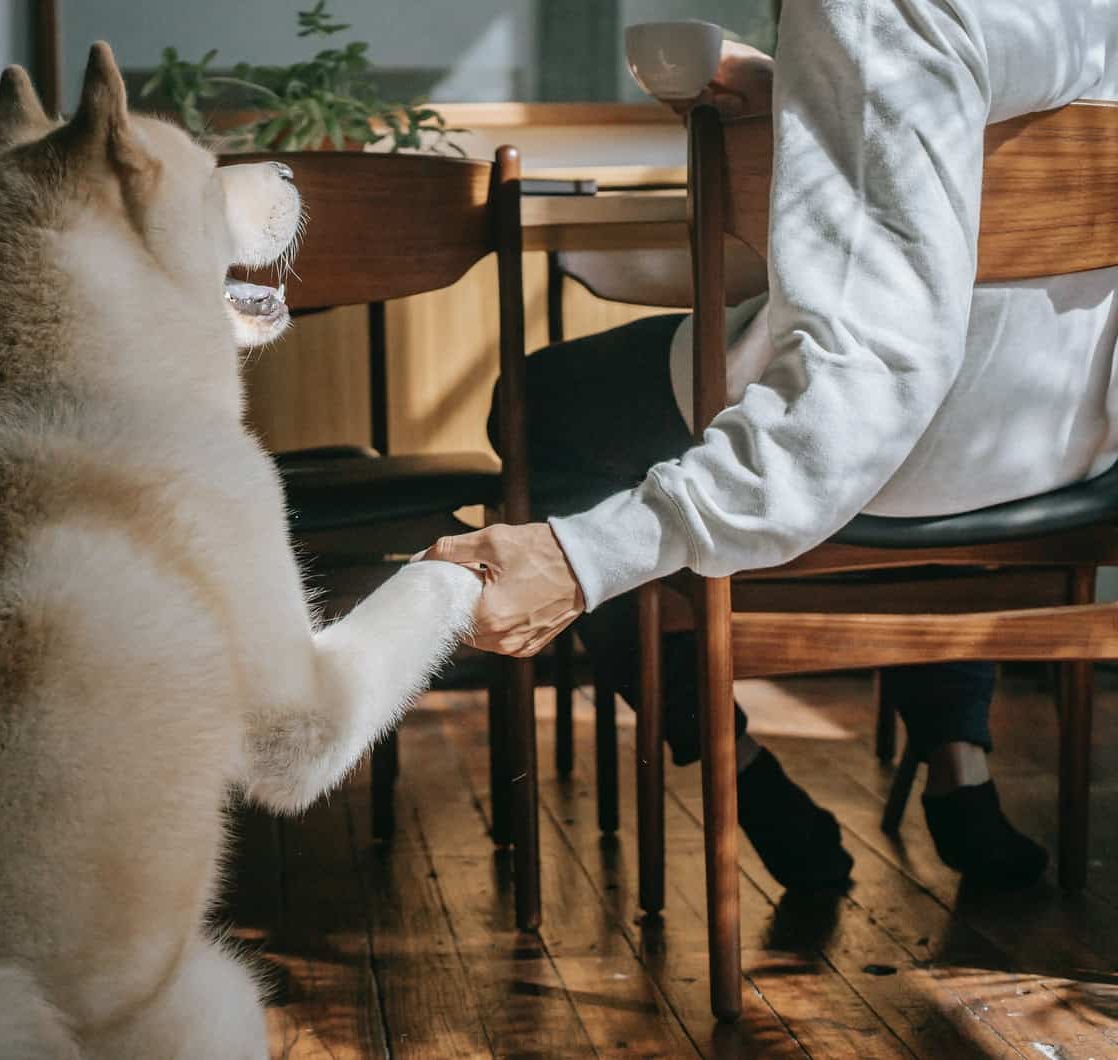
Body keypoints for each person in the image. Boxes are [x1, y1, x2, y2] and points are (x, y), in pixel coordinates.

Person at [422, 0, 1118, 891]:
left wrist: (581, 556)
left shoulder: (874, 11)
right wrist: (804, 96)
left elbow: (866, 382)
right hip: (1058, 446)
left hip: (884, 442)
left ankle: (734, 772)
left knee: (540, 402)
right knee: (911, 432)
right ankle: (960, 770)